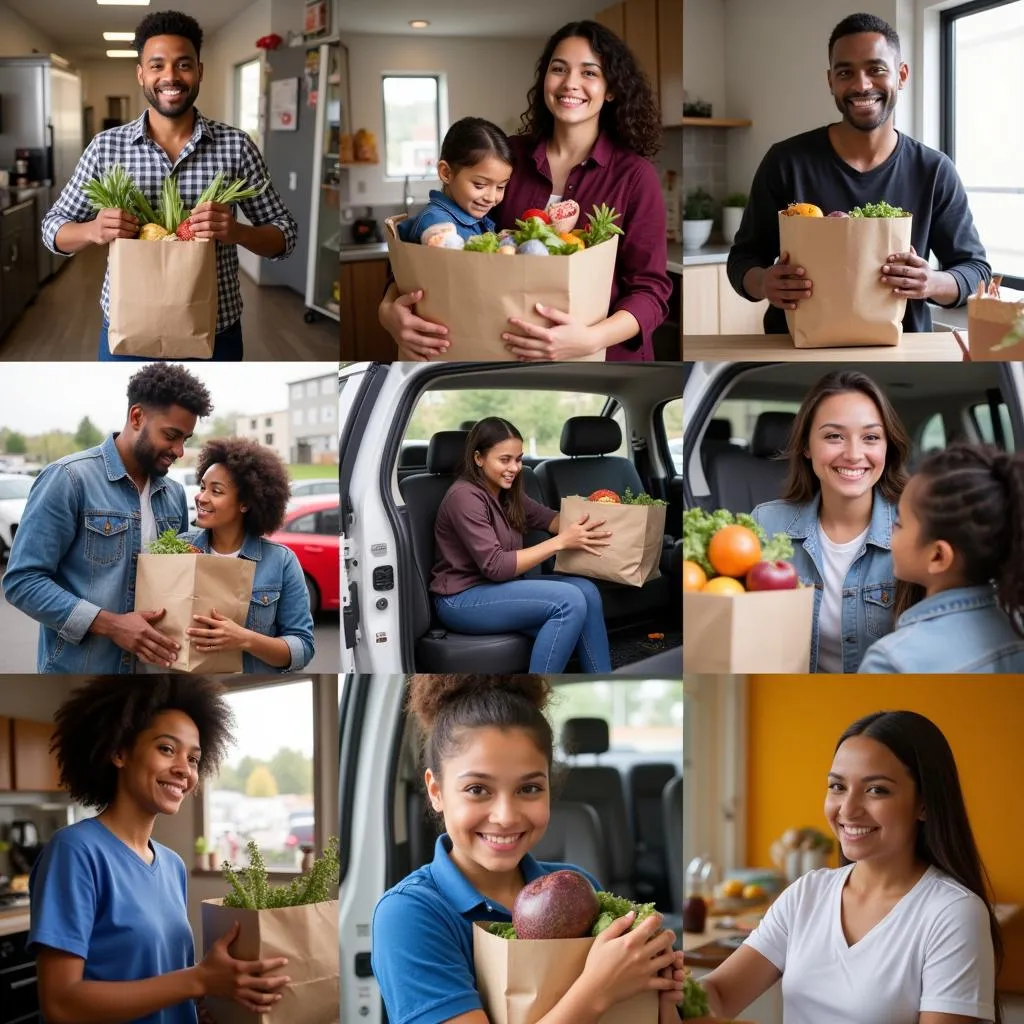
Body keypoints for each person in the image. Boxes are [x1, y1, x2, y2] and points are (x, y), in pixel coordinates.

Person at [371, 676, 684, 1024]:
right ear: (436, 791)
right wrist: (599, 988)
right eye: (477, 789)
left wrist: (660, 992)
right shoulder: (409, 914)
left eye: (529, 788)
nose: (505, 817)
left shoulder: (580, 886)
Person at [380, 20, 670, 362]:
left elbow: (651, 291)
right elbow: (427, 244)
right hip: (494, 352)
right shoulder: (507, 158)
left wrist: (590, 339)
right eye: (558, 68)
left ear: (611, 89)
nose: (570, 83)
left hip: (602, 359)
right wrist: (388, 312)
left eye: (589, 73)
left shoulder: (635, 176)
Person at [695, 710, 1001, 1024]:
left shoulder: (953, 912)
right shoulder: (806, 894)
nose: (848, 809)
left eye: (876, 789)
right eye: (837, 787)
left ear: (924, 804)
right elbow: (719, 992)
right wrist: (673, 989)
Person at [30, 677, 291, 1024]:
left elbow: (162, 981)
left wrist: (204, 1001)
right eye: (167, 749)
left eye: (194, 759)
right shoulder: (75, 852)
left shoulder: (172, 865)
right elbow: (62, 1003)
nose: (184, 769)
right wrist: (197, 979)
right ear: (119, 752)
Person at [41, 10, 298, 361]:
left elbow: (285, 236)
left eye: (183, 65)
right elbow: (52, 228)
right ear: (141, 73)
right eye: (157, 65)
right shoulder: (105, 147)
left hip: (214, 328)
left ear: (200, 71)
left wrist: (237, 232)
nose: (170, 77)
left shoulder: (236, 146)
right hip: (128, 327)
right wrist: (93, 230)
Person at [727, 12, 990, 335]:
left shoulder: (934, 170)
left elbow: (976, 271)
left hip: (902, 353)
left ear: (902, 75)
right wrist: (765, 283)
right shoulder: (786, 161)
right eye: (845, 72)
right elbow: (742, 260)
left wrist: (931, 282)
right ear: (831, 82)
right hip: (795, 351)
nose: (861, 85)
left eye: (876, 69)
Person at [3, 364, 213, 674]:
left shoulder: (174, 495)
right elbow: (22, 582)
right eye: (171, 435)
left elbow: (177, 584)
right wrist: (112, 625)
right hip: (80, 674)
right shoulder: (69, 479)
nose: (180, 451)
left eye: (186, 439)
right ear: (137, 417)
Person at [751, 370, 908, 672]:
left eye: (871, 437)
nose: (853, 454)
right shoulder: (765, 525)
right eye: (834, 436)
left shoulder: (916, 530)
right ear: (807, 446)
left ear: (887, 447)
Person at [431, 417, 612, 673]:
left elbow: (550, 519)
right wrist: (561, 542)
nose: (514, 468)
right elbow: (496, 567)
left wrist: (601, 520)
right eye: (504, 460)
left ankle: (601, 677)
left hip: (500, 588)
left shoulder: (507, 491)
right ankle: (539, 692)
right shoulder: (464, 497)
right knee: (568, 600)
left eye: (518, 459)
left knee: (587, 591)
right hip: (461, 599)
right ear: (478, 458)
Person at [859, 445, 1024, 672]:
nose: (890, 529)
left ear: (938, 556)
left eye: (899, 524)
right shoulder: (1017, 628)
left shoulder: (891, 662)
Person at [177, 437, 315, 673]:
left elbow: (303, 648)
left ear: (245, 503)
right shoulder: (178, 550)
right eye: (202, 487)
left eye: (216, 491)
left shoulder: (281, 562)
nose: (202, 497)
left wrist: (244, 639)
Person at [398, 118, 513, 244]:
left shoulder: (477, 218)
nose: (491, 198)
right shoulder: (436, 224)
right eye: (480, 185)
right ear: (446, 173)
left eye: (501, 187)